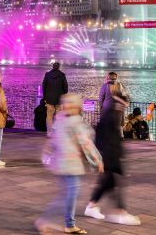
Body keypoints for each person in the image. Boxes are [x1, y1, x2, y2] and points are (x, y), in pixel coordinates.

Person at [36, 94, 104, 235]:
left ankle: (66, 223)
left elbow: (52, 142)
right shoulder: (75, 122)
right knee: (69, 196)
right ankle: (59, 223)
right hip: (71, 164)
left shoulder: (59, 120)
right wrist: (97, 160)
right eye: (69, 104)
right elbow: (86, 144)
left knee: (67, 195)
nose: (70, 107)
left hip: (60, 163)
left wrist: (47, 156)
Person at [84, 83, 140, 226]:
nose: (125, 106)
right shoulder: (111, 113)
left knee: (108, 183)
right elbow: (107, 136)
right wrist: (111, 155)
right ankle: (121, 213)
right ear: (120, 102)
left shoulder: (112, 112)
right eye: (124, 104)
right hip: (110, 154)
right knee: (114, 182)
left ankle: (91, 206)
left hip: (110, 153)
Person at [42, 62, 69, 136]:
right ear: (59, 67)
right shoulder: (62, 75)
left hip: (49, 98)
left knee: (49, 116)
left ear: (52, 67)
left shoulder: (47, 75)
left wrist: (45, 96)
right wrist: (64, 96)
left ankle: (49, 132)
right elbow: (65, 87)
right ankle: (58, 131)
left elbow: (44, 86)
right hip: (59, 99)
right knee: (59, 116)